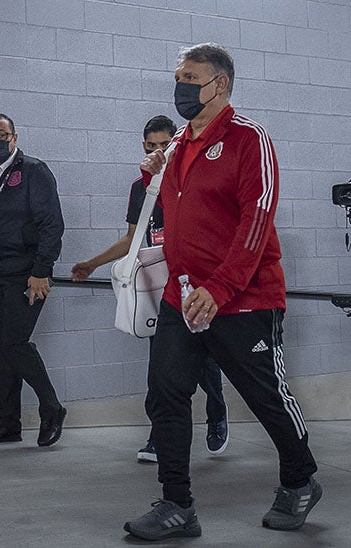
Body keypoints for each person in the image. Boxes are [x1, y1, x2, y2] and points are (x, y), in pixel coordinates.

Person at [123, 43, 320, 541]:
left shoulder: (249, 139)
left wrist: (221, 287)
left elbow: (257, 220)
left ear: (220, 84)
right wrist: (153, 172)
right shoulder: (178, 147)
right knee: (166, 394)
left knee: (265, 396)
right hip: (180, 297)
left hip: (243, 298)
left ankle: (300, 480)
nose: (181, 86)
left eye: (191, 77)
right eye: (178, 76)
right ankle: (176, 505)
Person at [70, 115, 230, 464]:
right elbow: (132, 237)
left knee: (205, 361)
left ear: (176, 143)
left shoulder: (195, 179)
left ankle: (217, 412)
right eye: (150, 145)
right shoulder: (140, 187)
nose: (158, 150)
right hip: (162, 286)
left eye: (164, 144)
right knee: (162, 366)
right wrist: (93, 263)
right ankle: (159, 437)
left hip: (199, 281)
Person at [0, 113, 66, 448]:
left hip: (27, 273)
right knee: (1, 351)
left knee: (15, 344)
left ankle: (52, 409)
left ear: (15, 137)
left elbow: (52, 225)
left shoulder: (33, 172)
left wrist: (41, 271)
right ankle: (7, 421)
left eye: (1, 134)